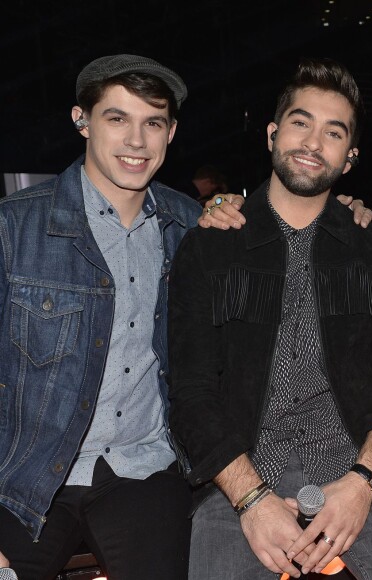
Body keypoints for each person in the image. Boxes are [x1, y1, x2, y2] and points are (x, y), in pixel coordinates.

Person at [167, 57, 372, 580]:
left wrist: (364, 482)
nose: (313, 142)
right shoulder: (210, 249)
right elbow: (191, 393)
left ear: (350, 158)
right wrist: (251, 500)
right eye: (301, 122)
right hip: (241, 483)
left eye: (333, 132)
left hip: (361, 479)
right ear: (273, 134)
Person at [0, 54, 243, 580]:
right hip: (25, 474)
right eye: (117, 119)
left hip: (144, 469)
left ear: (171, 132)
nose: (136, 140)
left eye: (152, 122)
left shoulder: (192, 230)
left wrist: (360, 213)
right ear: (81, 120)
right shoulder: (13, 228)